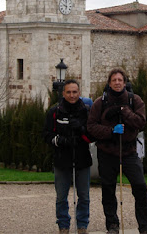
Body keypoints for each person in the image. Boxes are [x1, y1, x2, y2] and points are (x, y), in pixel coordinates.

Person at [87, 68, 147, 234]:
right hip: (107, 152)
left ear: (124, 82)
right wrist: (111, 131)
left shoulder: (135, 100)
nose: (117, 82)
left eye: (120, 80)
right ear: (109, 82)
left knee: (140, 186)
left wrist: (125, 111)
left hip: (129, 151)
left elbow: (140, 122)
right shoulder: (99, 103)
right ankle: (112, 225)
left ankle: (145, 226)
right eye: (114, 80)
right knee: (108, 189)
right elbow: (91, 127)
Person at [43, 79, 93, 234]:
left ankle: (82, 225)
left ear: (79, 93)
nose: (72, 95)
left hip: (82, 158)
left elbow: (92, 135)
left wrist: (81, 130)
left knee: (84, 196)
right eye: (69, 92)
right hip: (62, 159)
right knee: (61, 196)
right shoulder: (54, 111)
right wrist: (61, 141)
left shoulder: (86, 111)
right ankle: (63, 225)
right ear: (63, 93)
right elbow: (46, 135)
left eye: (75, 92)